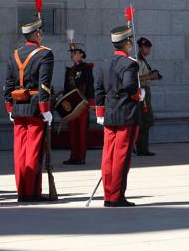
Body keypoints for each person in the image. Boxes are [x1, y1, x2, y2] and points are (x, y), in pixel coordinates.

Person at [4, 0, 55, 202]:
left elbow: (8, 84)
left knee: (20, 151)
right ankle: (32, 192)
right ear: (36, 34)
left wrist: (9, 107)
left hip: (18, 107)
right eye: (40, 32)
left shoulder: (15, 54)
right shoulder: (45, 54)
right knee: (33, 151)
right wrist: (45, 109)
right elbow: (44, 85)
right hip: (35, 107)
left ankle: (22, 190)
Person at [95, 23, 143, 207]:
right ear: (127, 43)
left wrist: (100, 112)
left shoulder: (105, 63)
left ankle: (108, 195)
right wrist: (139, 95)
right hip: (126, 115)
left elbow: (98, 89)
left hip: (110, 114)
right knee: (121, 157)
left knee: (108, 156)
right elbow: (131, 87)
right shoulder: (130, 64)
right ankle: (117, 196)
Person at [62, 32, 95, 165]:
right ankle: (73, 156)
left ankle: (81, 156)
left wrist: (92, 103)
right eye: (72, 52)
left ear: (81, 54)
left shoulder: (86, 68)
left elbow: (90, 85)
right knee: (73, 131)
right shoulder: (69, 70)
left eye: (75, 52)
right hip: (71, 104)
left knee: (81, 131)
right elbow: (66, 89)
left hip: (82, 104)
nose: (72, 54)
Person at [135, 37, 160, 156]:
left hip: (145, 90)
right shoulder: (137, 60)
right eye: (146, 47)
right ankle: (141, 148)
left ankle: (142, 148)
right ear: (140, 48)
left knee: (145, 120)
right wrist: (150, 77)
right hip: (142, 91)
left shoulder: (142, 60)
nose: (149, 50)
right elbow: (137, 79)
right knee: (146, 119)